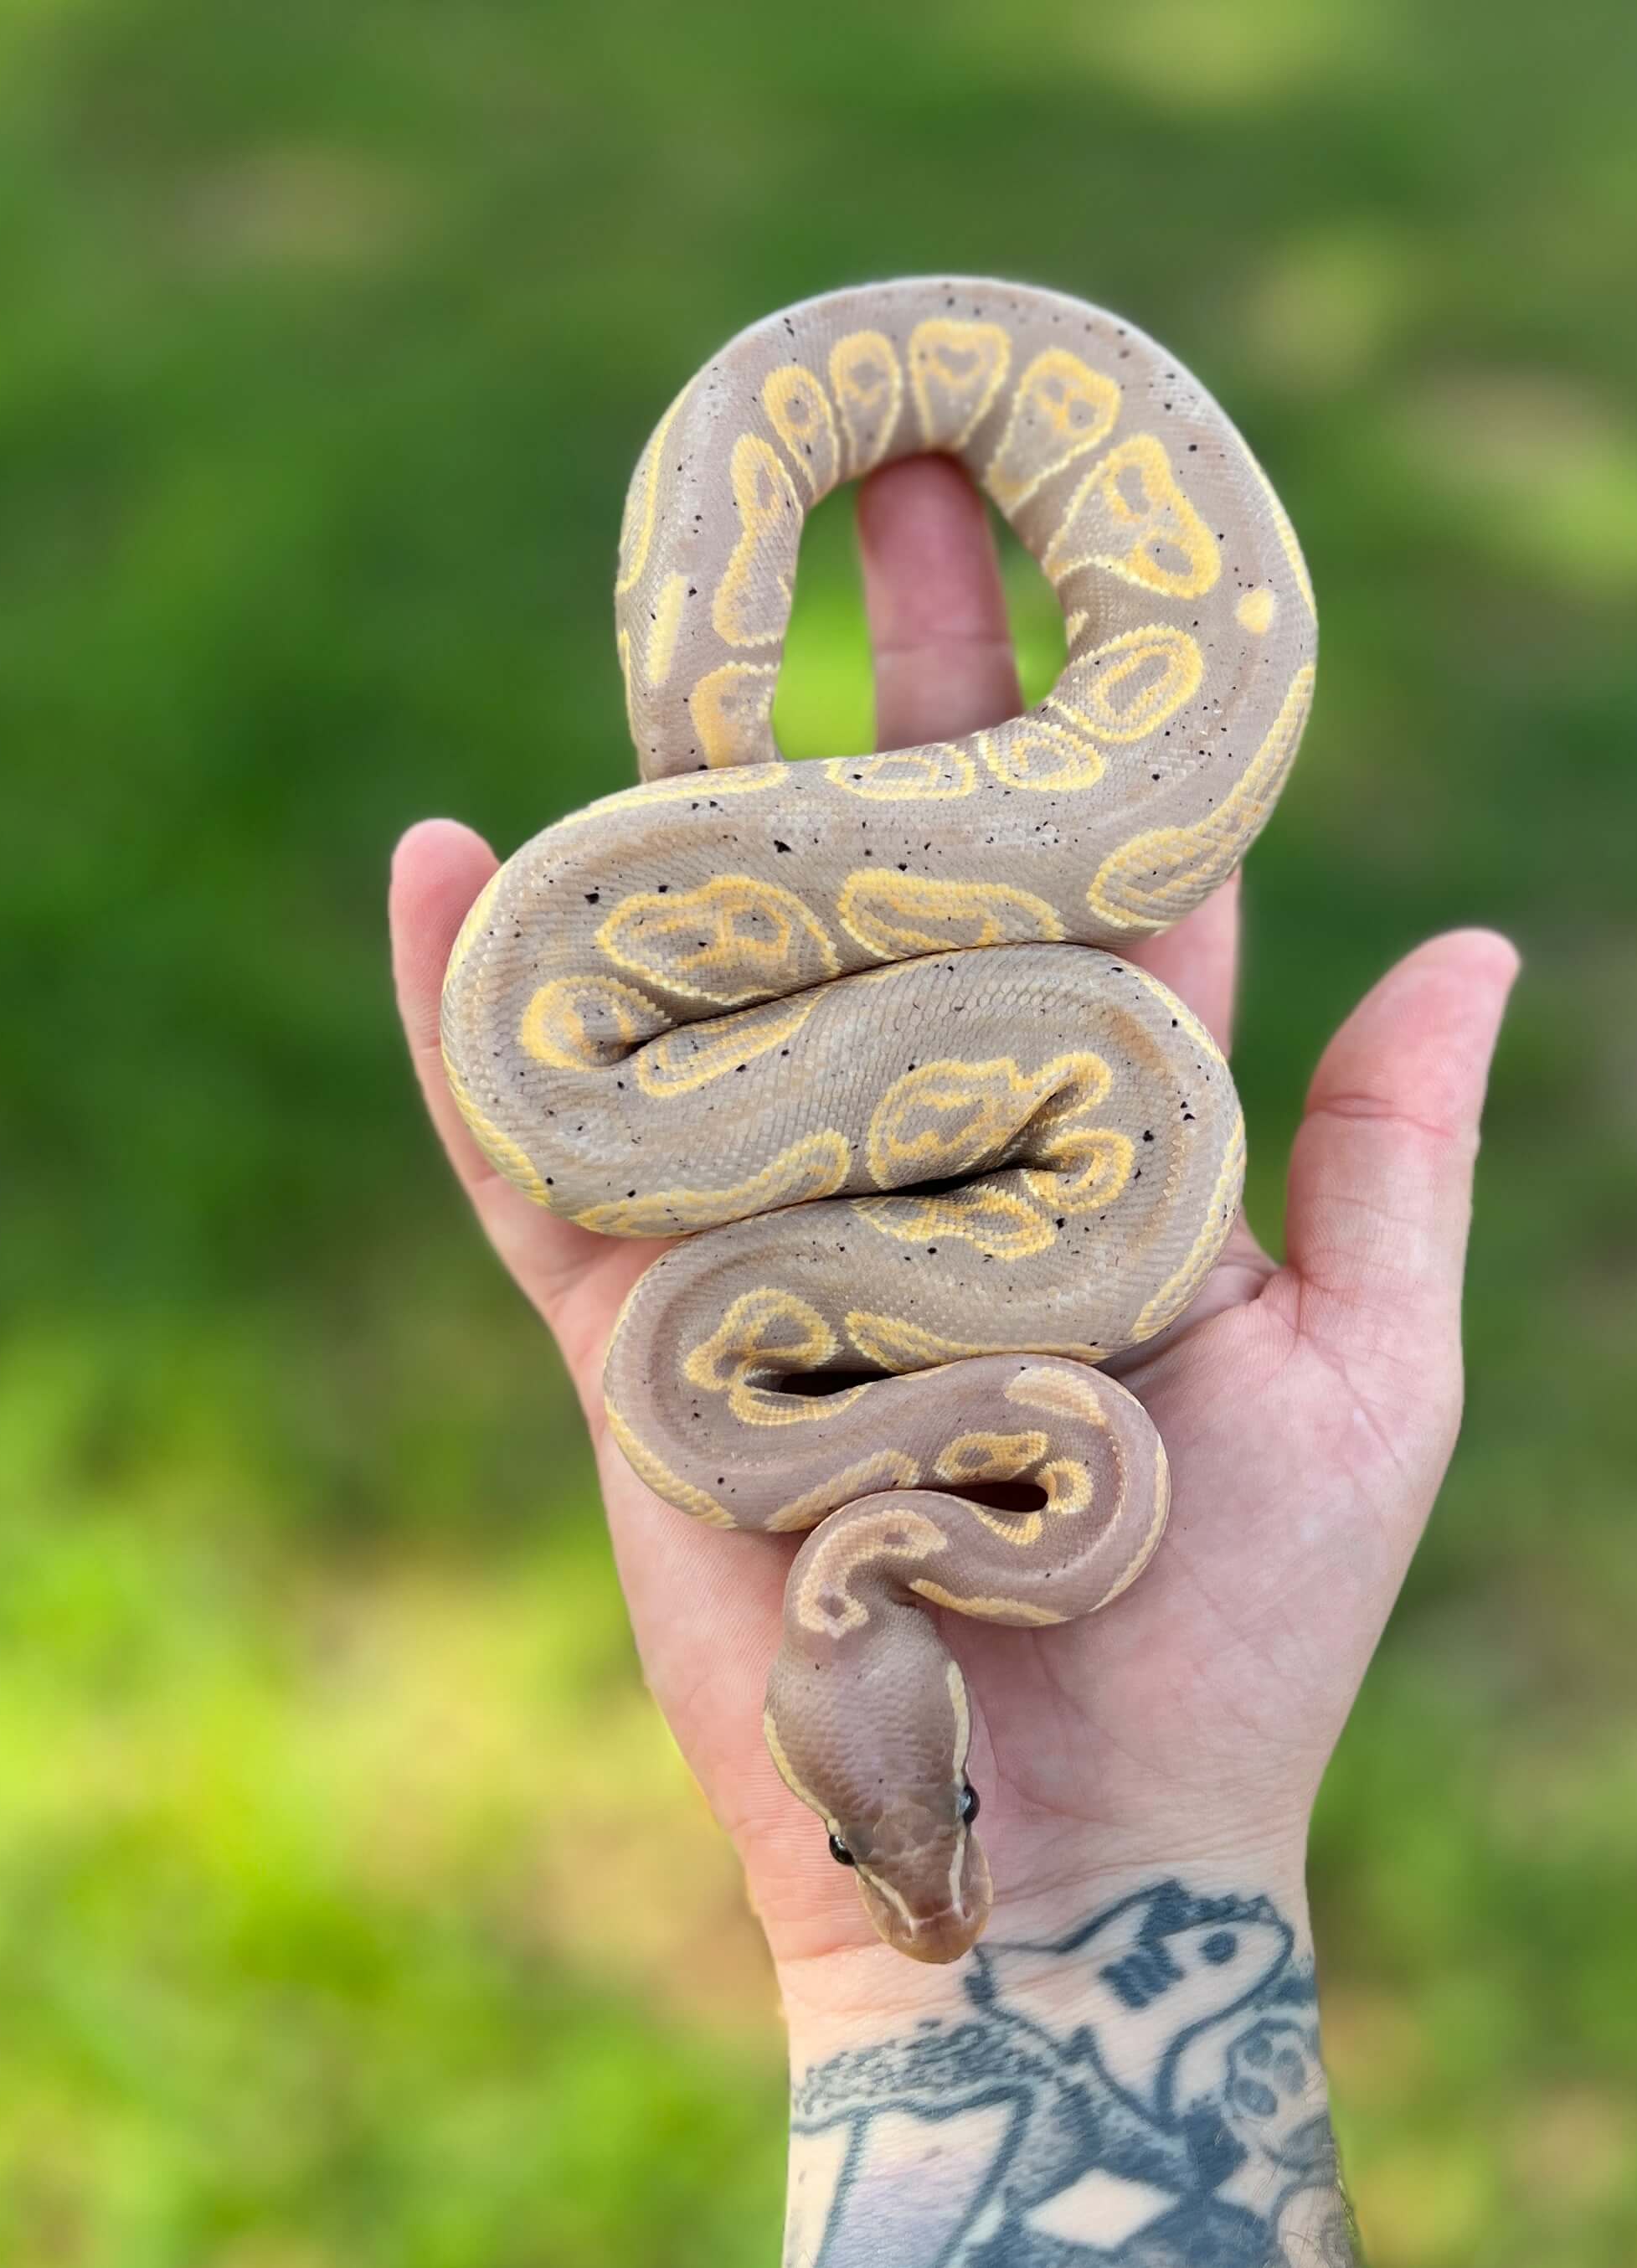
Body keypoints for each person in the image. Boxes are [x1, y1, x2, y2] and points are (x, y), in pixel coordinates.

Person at [389, 455, 1517, 2265]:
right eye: (948, 1810)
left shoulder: (803, 1421)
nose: (937, 1889)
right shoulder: (907, 1440)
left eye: (883, 1839)